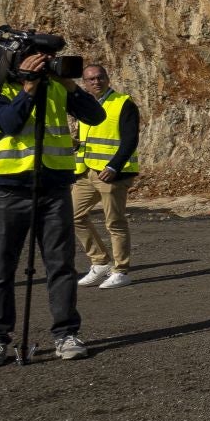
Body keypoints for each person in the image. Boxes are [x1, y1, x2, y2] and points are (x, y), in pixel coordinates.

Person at [0, 49, 104, 365]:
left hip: (53, 186)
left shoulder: (55, 87)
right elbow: (8, 122)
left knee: (61, 265)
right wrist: (27, 88)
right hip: (6, 188)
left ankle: (66, 334)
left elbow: (96, 116)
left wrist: (68, 84)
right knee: (0, 269)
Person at [72, 63, 140, 288]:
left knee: (115, 222)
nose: (96, 82)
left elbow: (130, 139)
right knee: (73, 216)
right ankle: (100, 261)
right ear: (85, 83)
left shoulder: (123, 103)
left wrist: (114, 167)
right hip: (86, 172)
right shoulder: (85, 106)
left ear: (108, 78)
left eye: (100, 77)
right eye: (90, 79)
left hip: (112, 174)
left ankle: (121, 270)